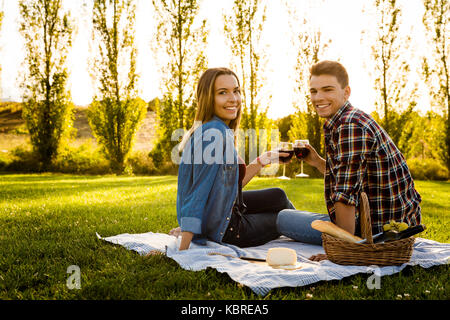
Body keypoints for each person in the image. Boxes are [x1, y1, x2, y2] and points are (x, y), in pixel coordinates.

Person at [278, 60, 422, 261]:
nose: (318, 97)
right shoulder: (349, 119)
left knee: (282, 219)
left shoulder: (349, 126)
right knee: (287, 213)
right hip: (395, 221)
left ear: (346, 92)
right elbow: (351, 175)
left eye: (327, 90)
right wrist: (318, 162)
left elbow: (345, 195)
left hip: (377, 231)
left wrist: (342, 250)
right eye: (313, 91)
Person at [171, 67, 296, 251]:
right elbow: (197, 193)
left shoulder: (211, 128)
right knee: (285, 218)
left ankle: (315, 224)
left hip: (224, 210)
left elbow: (227, 187)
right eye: (223, 93)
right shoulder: (215, 134)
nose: (233, 99)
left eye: (236, 91)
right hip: (229, 229)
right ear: (208, 98)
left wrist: (265, 159)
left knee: (279, 196)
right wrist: (184, 246)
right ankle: (331, 233)